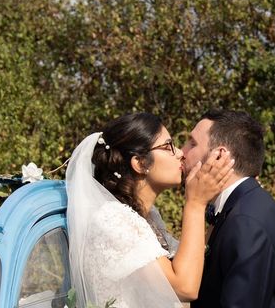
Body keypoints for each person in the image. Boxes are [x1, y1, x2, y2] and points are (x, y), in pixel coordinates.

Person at [66, 113, 234, 308]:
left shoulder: (148, 215)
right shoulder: (112, 220)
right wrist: (195, 204)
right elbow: (185, 287)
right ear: (140, 163)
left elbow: (191, 262)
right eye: (168, 147)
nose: (180, 152)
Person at [184, 109, 275, 308]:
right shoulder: (244, 206)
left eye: (192, 143)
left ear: (219, 156)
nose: (182, 152)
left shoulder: (246, 222)